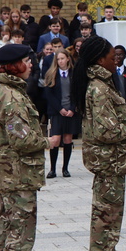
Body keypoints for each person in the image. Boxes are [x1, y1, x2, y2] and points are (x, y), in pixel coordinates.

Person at [71, 35, 126, 251]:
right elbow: (106, 132)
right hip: (108, 163)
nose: (116, 61)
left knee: (109, 215)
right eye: (113, 58)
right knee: (106, 217)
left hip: (111, 163)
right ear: (100, 59)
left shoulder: (102, 83)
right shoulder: (99, 88)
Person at [0, 44, 49, 251]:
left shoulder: (9, 92)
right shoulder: (11, 97)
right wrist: (48, 142)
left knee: (11, 222)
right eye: (27, 60)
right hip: (17, 173)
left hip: (13, 172)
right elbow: (20, 139)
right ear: (15, 66)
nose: (32, 64)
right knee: (20, 225)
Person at [42, 48, 78, 178]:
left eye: (62, 58)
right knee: (55, 140)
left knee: (67, 138)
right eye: (58, 59)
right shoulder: (52, 74)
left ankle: (65, 168)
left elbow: (77, 93)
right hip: (57, 111)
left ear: (68, 59)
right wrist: (60, 109)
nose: (60, 61)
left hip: (70, 110)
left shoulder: (74, 74)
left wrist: (72, 109)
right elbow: (49, 94)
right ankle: (52, 169)